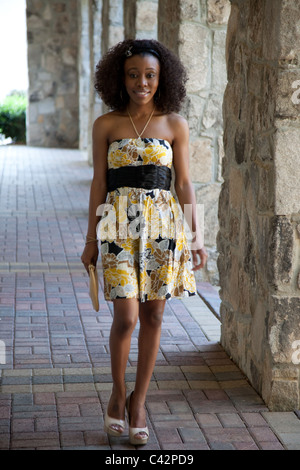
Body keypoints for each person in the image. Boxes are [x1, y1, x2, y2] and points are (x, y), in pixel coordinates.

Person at [81, 39, 208, 446]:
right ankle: (118, 392)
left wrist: (196, 236)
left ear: (161, 78)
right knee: (127, 318)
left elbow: (185, 184)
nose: (142, 82)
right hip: (117, 228)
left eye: (150, 75)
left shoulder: (174, 124)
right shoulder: (107, 124)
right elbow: (99, 183)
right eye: (134, 74)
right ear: (120, 78)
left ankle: (139, 403)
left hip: (163, 229)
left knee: (154, 317)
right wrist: (90, 241)